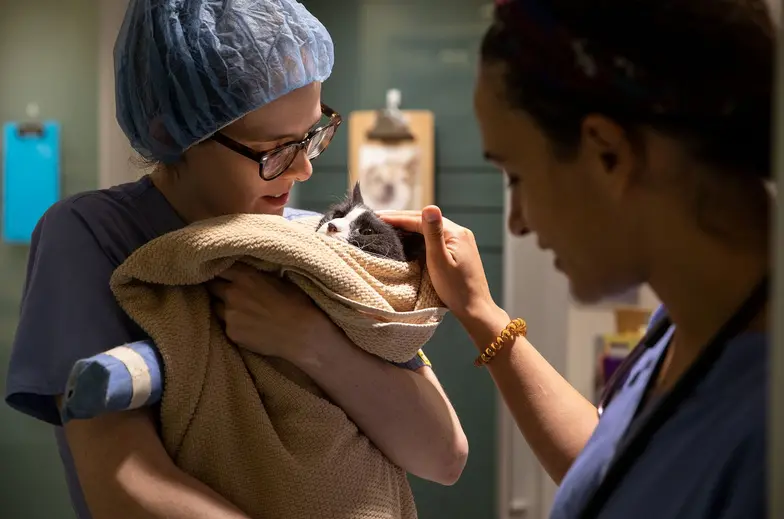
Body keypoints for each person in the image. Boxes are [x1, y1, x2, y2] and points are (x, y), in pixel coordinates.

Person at [3, 1, 467, 518]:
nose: (305, 171)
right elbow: (124, 486)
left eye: (312, 136)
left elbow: (442, 455)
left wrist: (308, 340)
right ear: (169, 133)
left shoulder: (312, 241)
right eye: (274, 149)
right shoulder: (91, 236)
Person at [381, 0, 773, 518]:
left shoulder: (762, 438)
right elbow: (623, 476)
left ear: (607, 153)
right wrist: (480, 312)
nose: (517, 221)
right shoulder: (690, 320)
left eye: (517, 176)